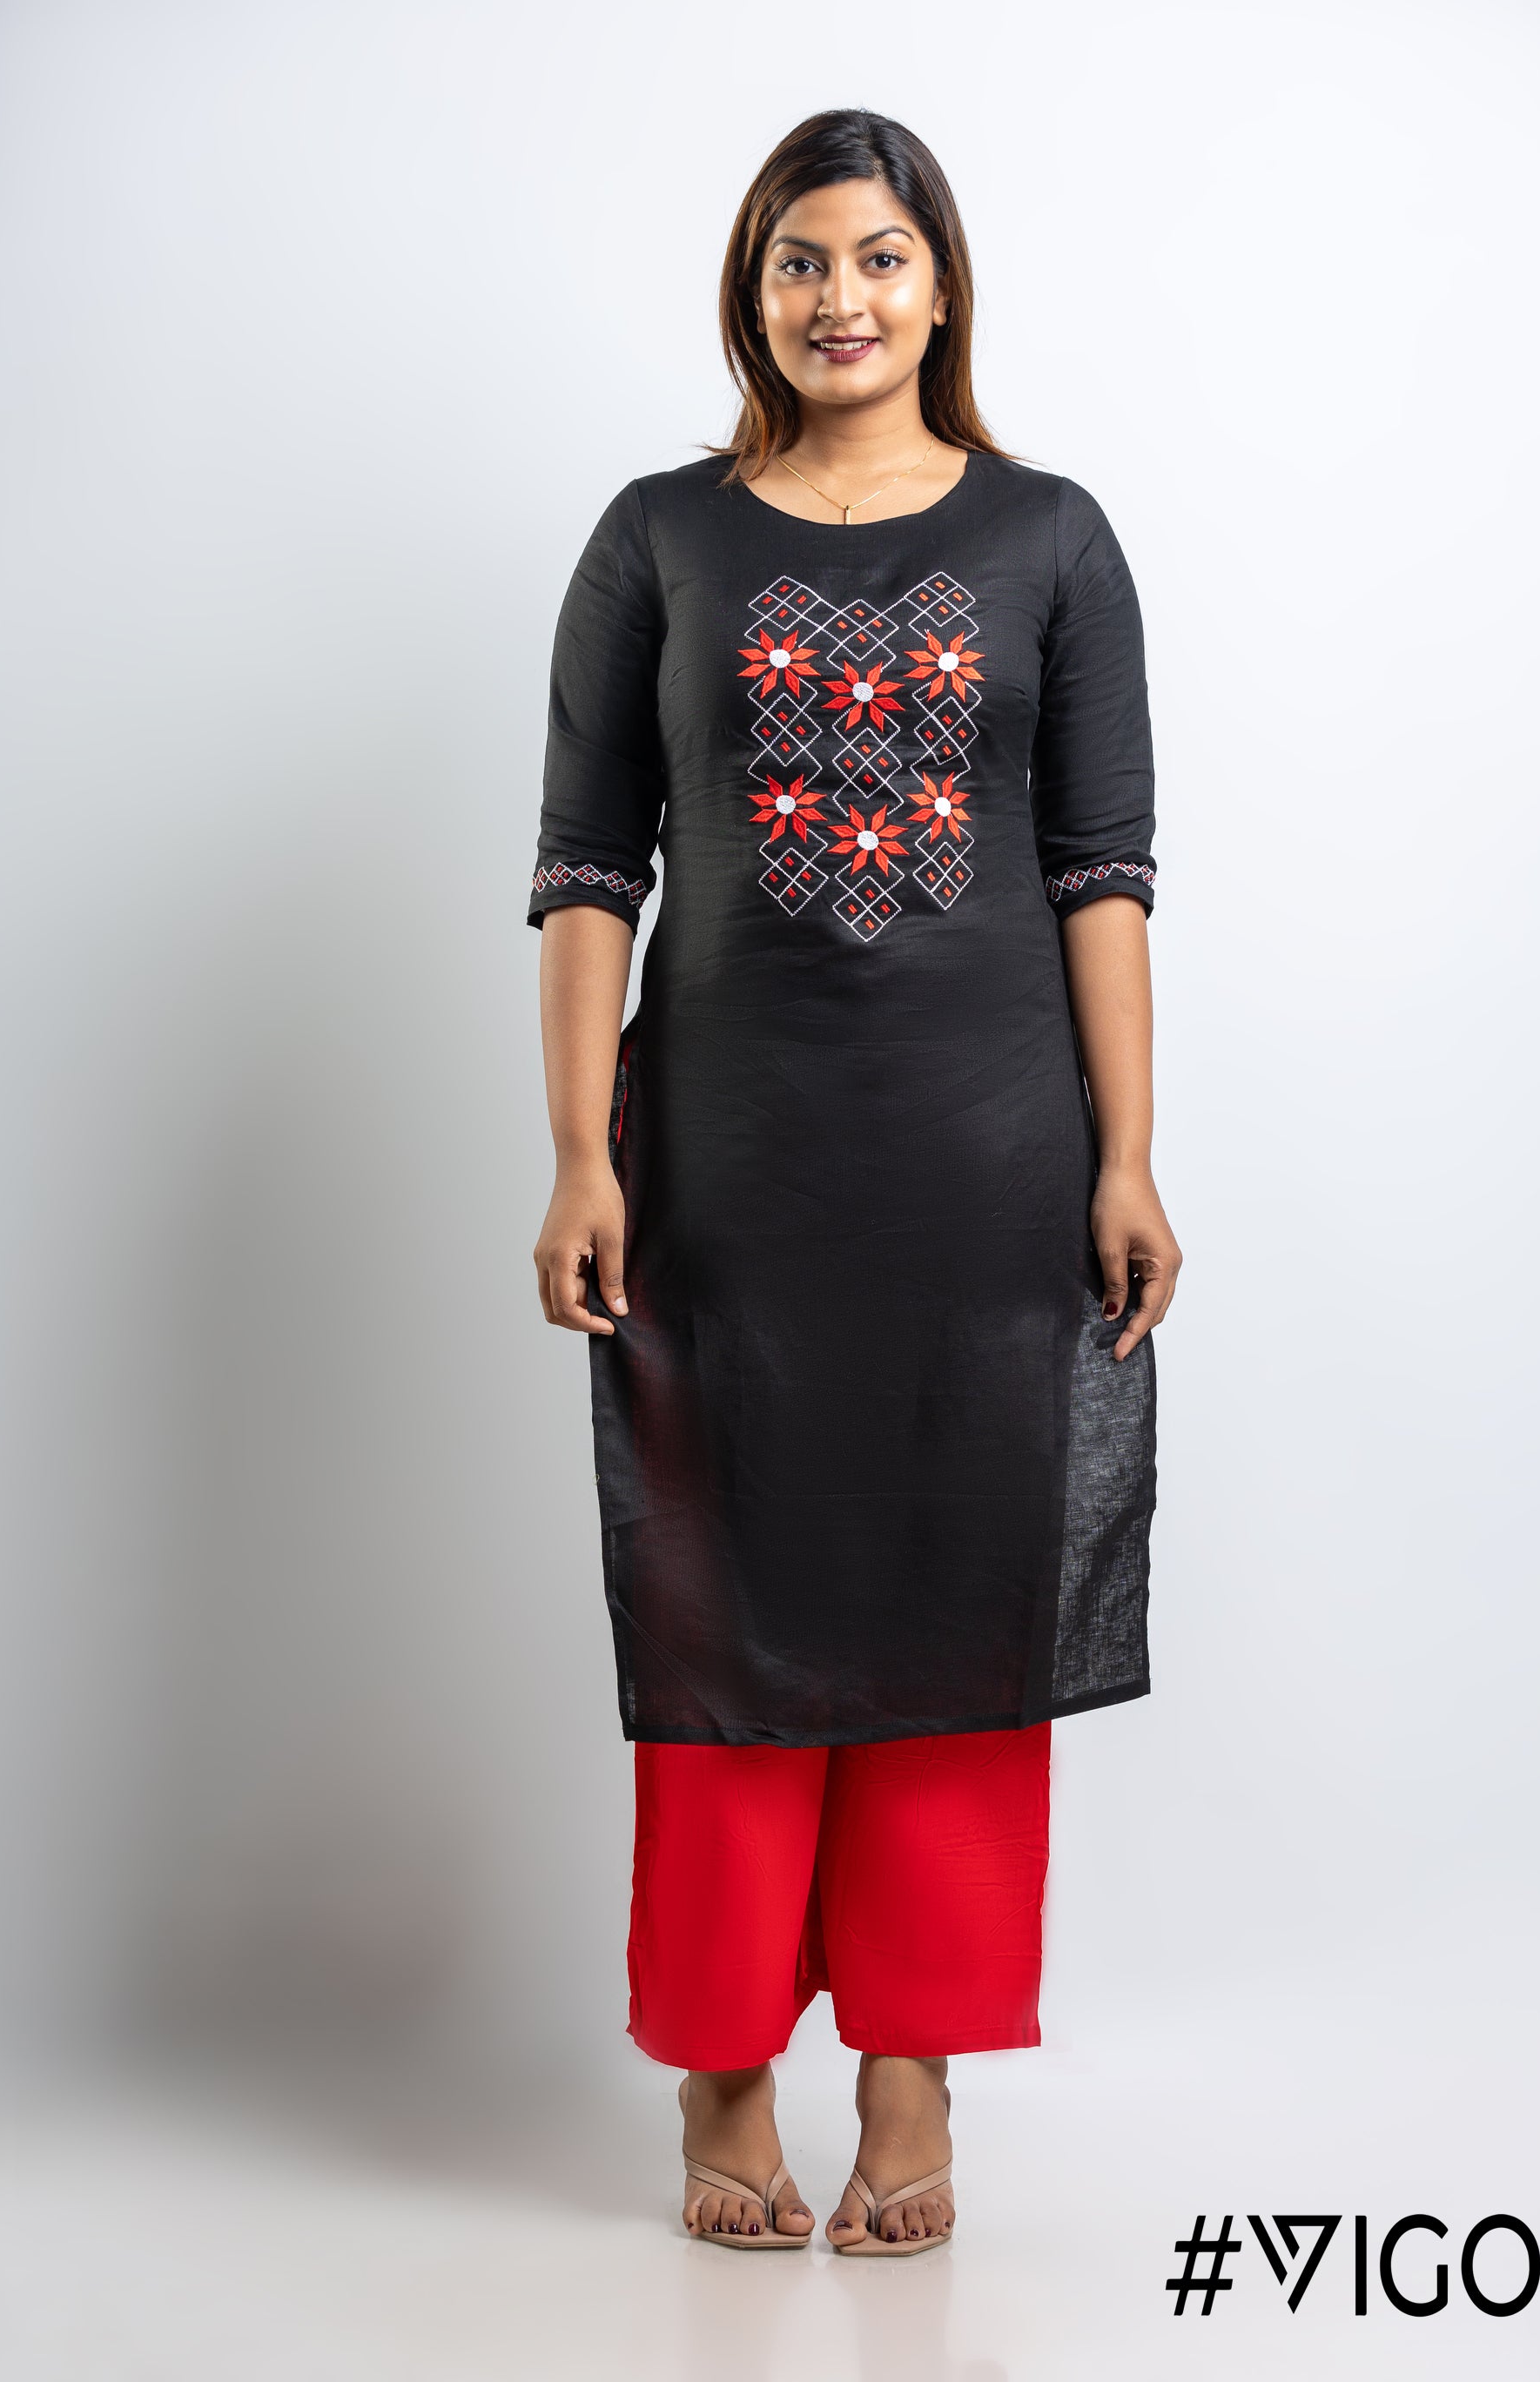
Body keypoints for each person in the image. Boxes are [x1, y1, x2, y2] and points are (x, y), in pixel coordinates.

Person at [529, 107, 1181, 2256]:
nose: (842, 299)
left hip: (987, 1167)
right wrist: (577, 1154)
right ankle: (724, 2067)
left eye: (882, 258)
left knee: (960, 1595)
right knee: (718, 1600)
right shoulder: (658, 540)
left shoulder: (1054, 538)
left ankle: (914, 2063)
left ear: (943, 285)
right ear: (754, 290)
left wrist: (1130, 1154)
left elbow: (1101, 874)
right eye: (802, 260)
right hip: (722, 1169)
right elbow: (585, 870)